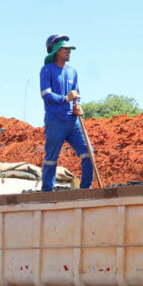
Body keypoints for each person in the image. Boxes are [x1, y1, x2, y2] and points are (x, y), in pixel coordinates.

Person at [39, 34, 94, 192]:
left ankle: (86, 189)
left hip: (72, 121)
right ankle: (47, 192)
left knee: (89, 153)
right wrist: (65, 99)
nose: (69, 51)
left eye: (69, 49)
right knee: (51, 158)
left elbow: (76, 94)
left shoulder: (73, 71)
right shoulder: (46, 70)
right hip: (55, 121)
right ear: (56, 51)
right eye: (66, 49)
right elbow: (46, 94)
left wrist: (78, 106)